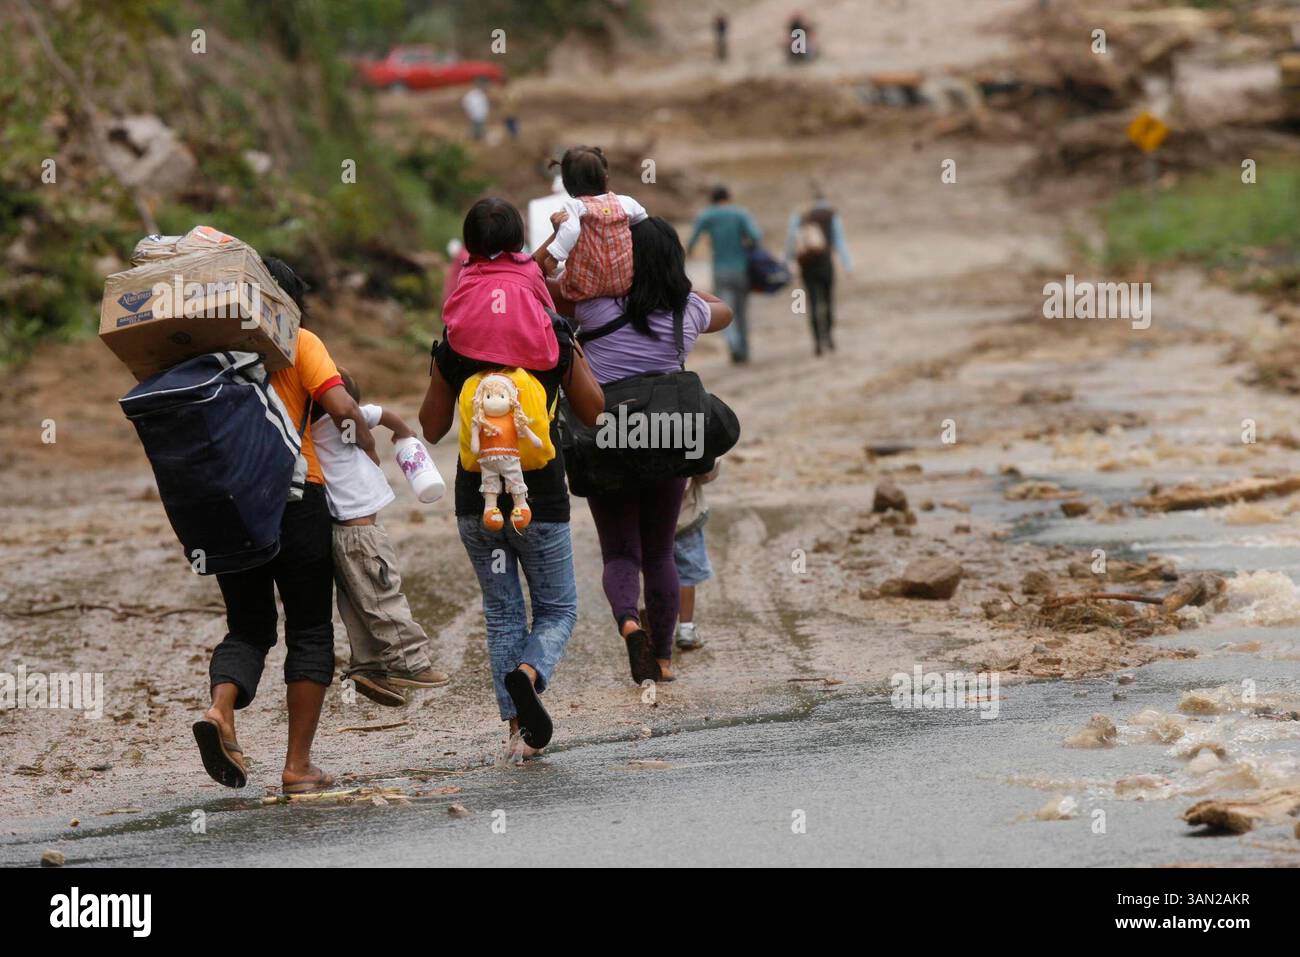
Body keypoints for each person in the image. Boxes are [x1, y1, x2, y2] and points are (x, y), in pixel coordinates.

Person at [420, 204, 605, 757]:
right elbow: (594, 412)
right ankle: (530, 671)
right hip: (540, 498)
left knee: (502, 611)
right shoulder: (549, 329)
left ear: (468, 247)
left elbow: (431, 428)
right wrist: (570, 353)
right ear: (522, 243)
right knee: (557, 610)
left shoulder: (454, 335)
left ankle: (517, 733)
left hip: (475, 500)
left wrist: (451, 372)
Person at [193, 258, 373, 795]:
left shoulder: (207, 349)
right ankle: (297, 767)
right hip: (297, 502)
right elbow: (341, 406)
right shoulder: (299, 340)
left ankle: (220, 710)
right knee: (310, 628)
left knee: (248, 626)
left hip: (228, 507)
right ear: (289, 304)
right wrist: (366, 448)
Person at [553, 217, 732, 683]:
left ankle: (629, 623)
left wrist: (579, 251)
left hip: (606, 433)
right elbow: (725, 310)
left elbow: (546, 290)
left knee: (619, 553)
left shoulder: (592, 309)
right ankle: (665, 658)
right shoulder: (686, 311)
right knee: (660, 553)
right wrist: (680, 288)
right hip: (668, 436)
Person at [312, 368, 450, 707]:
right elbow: (385, 414)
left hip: (339, 534)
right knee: (383, 596)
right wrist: (402, 433)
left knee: (357, 604)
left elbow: (375, 413)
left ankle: (368, 666)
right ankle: (411, 662)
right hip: (362, 537)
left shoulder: (310, 430)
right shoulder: (343, 418)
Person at [441, 198, 558, 372]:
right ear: (517, 234)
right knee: (563, 336)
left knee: (443, 353)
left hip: (471, 355)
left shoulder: (467, 271)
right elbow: (550, 310)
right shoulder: (529, 269)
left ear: (470, 237)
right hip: (527, 358)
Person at [533, 145, 648, 302]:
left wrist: (554, 257)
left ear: (566, 183)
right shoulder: (626, 202)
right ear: (605, 177)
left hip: (585, 289)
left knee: (551, 280)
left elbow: (571, 231)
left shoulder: (574, 206)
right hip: (624, 284)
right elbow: (644, 221)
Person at [687, 185, 760, 364]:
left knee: (727, 312)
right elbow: (756, 236)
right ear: (728, 197)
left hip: (720, 270)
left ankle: (734, 346)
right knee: (742, 312)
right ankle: (744, 350)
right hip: (741, 269)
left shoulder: (708, 216)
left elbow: (692, 241)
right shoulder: (740, 214)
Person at [784, 186, 853, 356]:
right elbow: (839, 241)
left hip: (806, 265)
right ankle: (828, 337)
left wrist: (788, 263)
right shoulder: (830, 214)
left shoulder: (799, 216)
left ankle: (817, 342)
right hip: (825, 263)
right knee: (828, 300)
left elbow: (792, 241)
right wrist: (848, 265)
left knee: (812, 303)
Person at [674, 465, 719, 650]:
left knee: (654, 570)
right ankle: (686, 628)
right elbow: (707, 470)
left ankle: (652, 626)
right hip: (685, 518)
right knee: (686, 576)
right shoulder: (688, 435)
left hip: (648, 519)